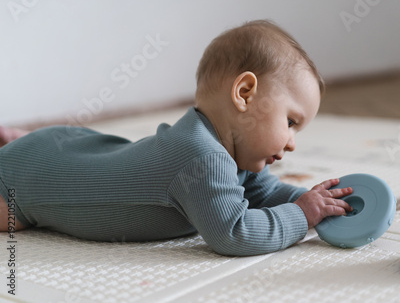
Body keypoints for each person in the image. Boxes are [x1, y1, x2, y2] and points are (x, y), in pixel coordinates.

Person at [0, 20, 353, 256]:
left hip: (62, 148)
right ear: (244, 93)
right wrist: (302, 216)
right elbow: (234, 231)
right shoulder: (200, 156)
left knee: (84, 150)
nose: (292, 143)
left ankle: (23, 143)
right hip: (22, 185)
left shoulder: (230, 151)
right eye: (291, 121)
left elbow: (264, 194)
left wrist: (315, 202)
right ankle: (18, 149)